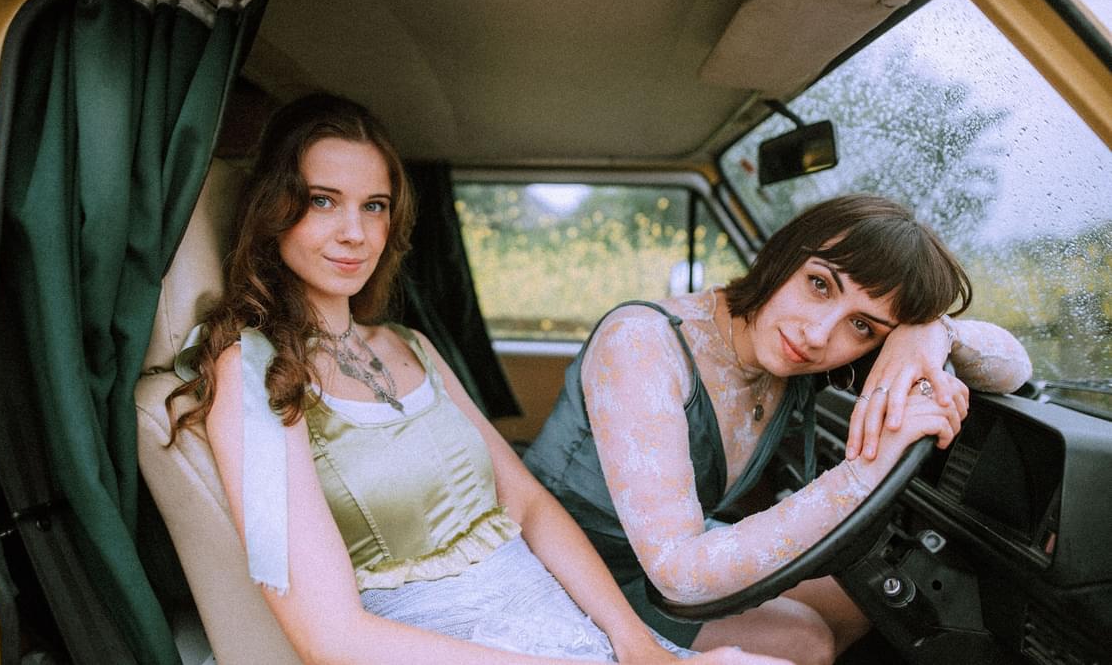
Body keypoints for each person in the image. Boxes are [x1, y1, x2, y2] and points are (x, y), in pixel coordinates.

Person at [166, 93, 790, 665]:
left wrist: (632, 642)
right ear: (275, 211)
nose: (355, 233)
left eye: (374, 206)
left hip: (554, 618)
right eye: (322, 200)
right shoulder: (253, 368)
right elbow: (333, 637)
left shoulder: (410, 345)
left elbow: (532, 506)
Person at [523, 194, 1033, 665]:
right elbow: (679, 576)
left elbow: (1015, 367)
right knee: (805, 640)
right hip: (570, 570)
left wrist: (932, 334)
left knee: (860, 601)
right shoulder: (641, 344)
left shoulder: (794, 354)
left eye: (863, 325)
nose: (816, 335)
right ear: (783, 254)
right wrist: (864, 472)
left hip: (656, 560)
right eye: (819, 284)